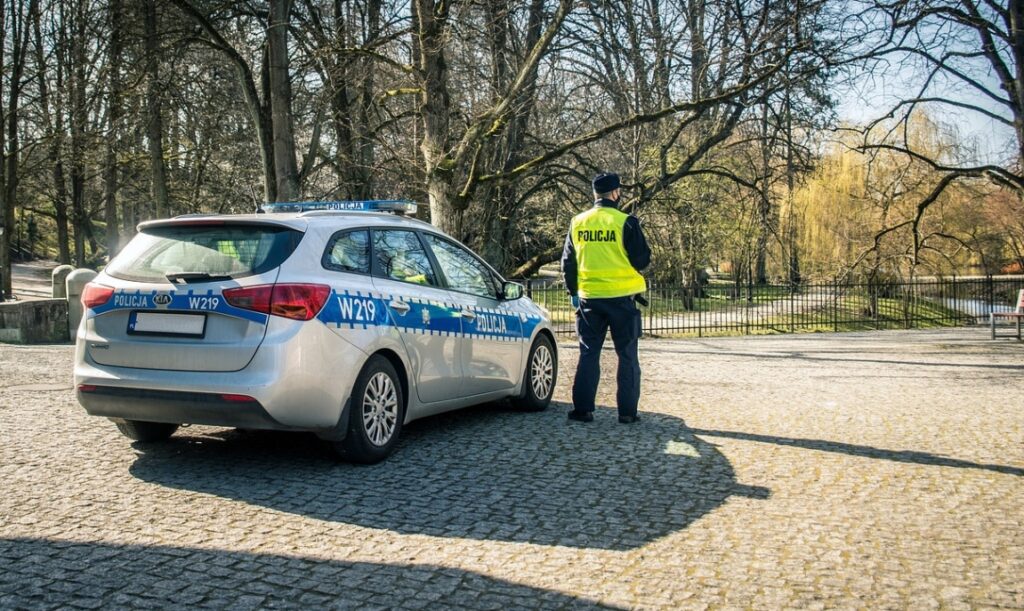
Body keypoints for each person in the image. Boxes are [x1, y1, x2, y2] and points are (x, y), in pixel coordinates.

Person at [561, 172, 651, 424]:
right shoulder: (626, 222)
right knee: (627, 355)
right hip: (622, 299)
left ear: (594, 194)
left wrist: (573, 292)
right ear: (615, 193)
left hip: (590, 299)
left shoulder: (578, 222)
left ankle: (582, 410)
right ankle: (627, 413)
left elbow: (568, 262)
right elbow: (642, 260)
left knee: (589, 352)